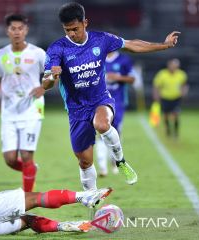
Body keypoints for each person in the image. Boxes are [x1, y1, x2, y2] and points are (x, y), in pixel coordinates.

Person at [42, 2, 180, 189]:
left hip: (100, 99)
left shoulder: (101, 39)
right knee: (84, 162)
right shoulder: (57, 49)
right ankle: (91, 204)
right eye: (67, 30)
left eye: (75, 28)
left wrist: (164, 45)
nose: (72, 34)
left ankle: (120, 161)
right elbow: (46, 84)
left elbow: (132, 45)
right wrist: (52, 77)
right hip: (76, 109)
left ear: (85, 23)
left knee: (102, 124)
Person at [0, 14, 46, 192]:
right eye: (13, 29)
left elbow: (51, 75)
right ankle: (31, 169)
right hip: (9, 112)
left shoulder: (37, 53)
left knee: (26, 155)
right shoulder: (1, 55)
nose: (17, 32)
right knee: (10, 159)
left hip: (32, 109)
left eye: (20, 28)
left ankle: (27, 197)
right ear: (7, 31)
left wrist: (44, 88)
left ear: (26, 30)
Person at [96, 49, 135, 177]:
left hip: (118, 101)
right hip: (99, 100)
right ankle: (102, 167)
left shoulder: (124, 59)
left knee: (115, 132)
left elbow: (132, 78)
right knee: (100, 130)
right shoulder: (97, 58)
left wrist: (118, 77)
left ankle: (114, 162)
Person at [153, 58, 188, 138]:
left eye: (176, 66)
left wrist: (184, 92)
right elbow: (157, 86)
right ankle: (168, 129)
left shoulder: (181, 74)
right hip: (165, 98)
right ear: (169, 65)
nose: (174, 67)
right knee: (165, 115)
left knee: (176, 114)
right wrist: (156, 95)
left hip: (176, 98)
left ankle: (176, 132)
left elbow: (184, 84)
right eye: (172, 65)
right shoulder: (162, 74)